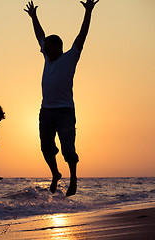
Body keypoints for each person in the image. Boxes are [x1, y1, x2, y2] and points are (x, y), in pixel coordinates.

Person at [24, 0, 98, 196]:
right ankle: (55, 173)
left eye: (46, 47)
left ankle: (73, 178)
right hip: (46, 111)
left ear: (57, 47)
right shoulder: (47, 57)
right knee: (45, 147)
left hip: (65, 111)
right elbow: (39, 35)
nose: (43, 50)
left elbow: (82, 35)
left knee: (68, 150)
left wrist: (88, 12)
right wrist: (34, 17)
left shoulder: (70, 57)